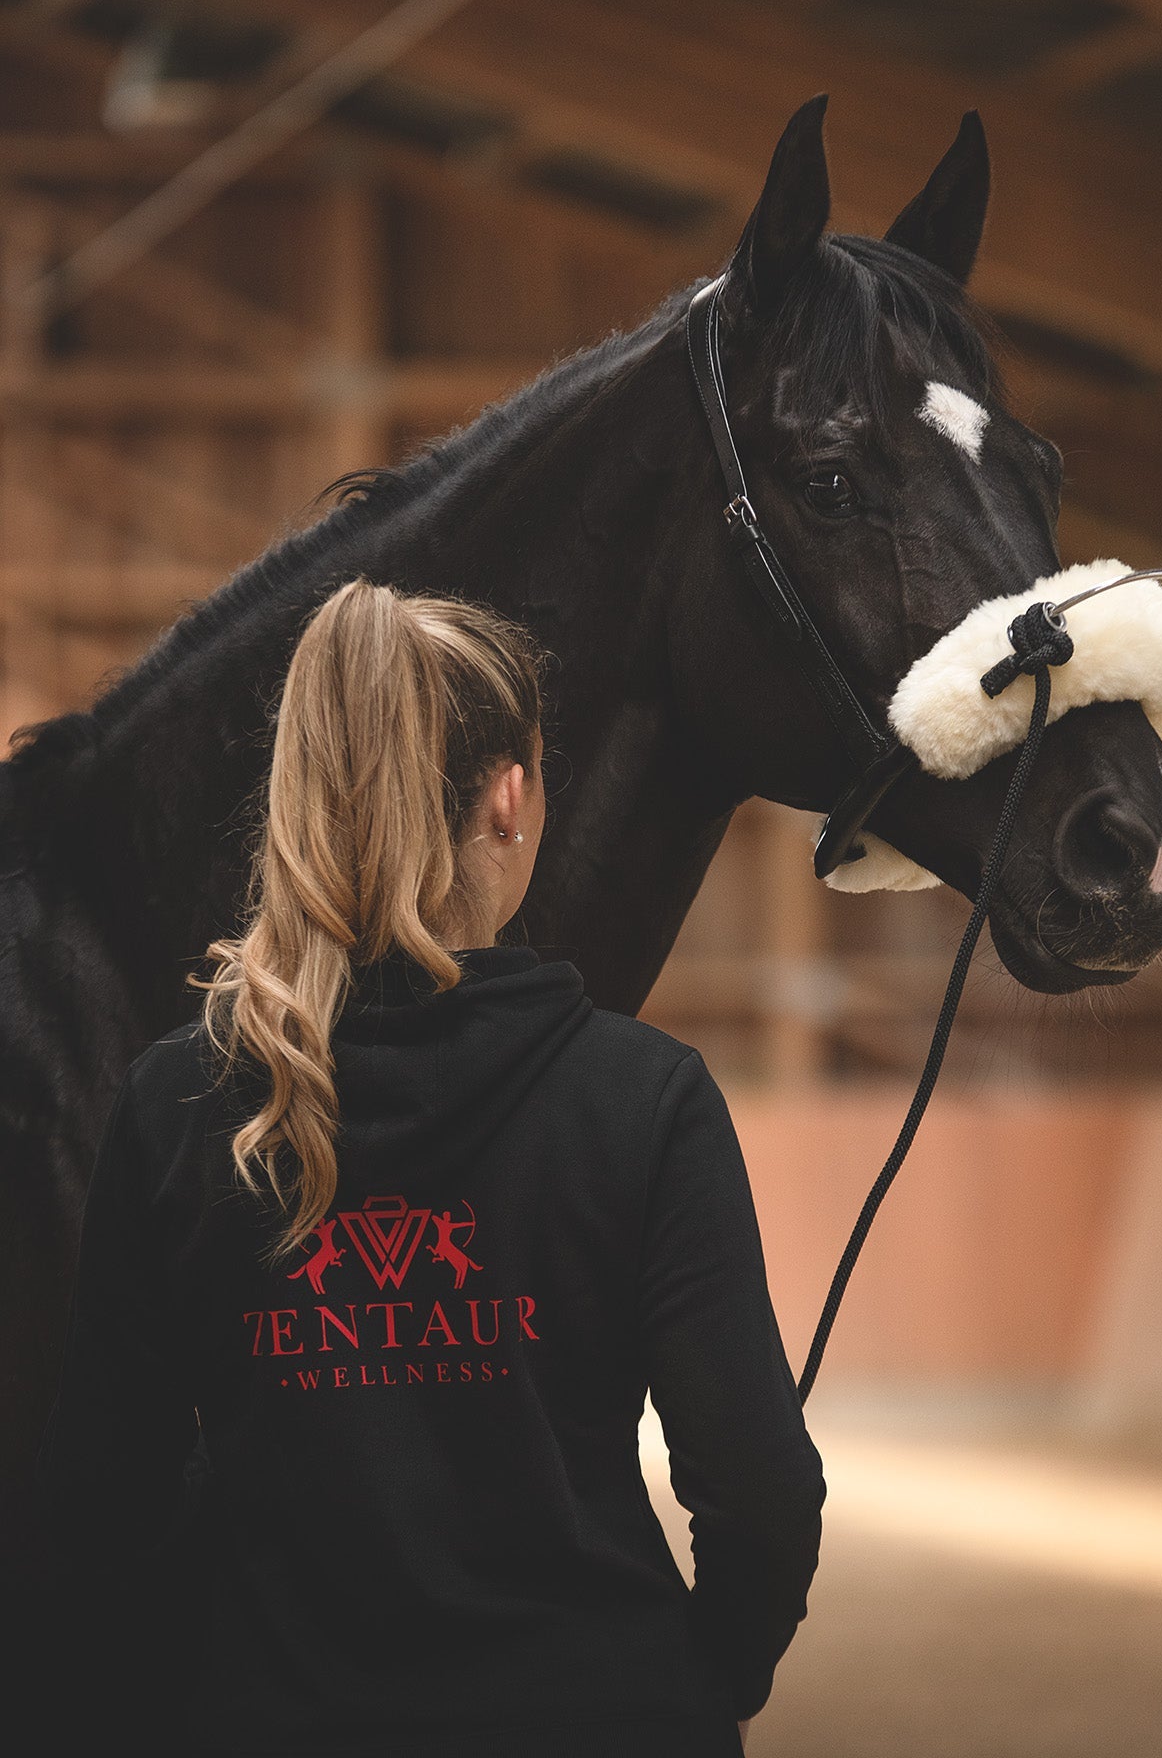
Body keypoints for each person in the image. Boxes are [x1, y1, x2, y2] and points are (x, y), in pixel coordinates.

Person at [36, 578, 824, 1757]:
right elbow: (761, 1490)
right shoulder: (644, 1099)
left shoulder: (176, 1102)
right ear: (509, 798)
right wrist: (691, 1678)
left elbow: (105, 1501)